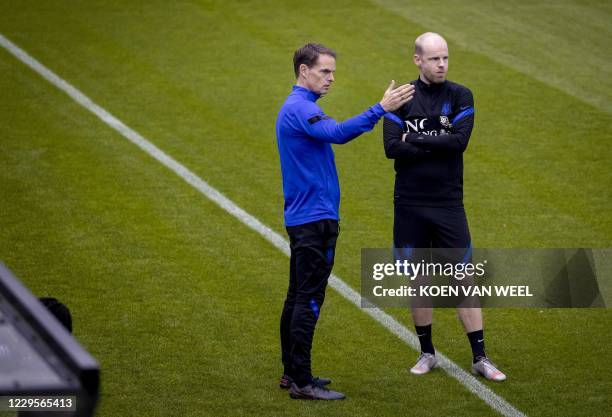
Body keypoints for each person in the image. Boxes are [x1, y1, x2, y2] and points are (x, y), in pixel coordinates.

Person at [276, 43, 414, 400]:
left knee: (296, 297)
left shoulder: (299, 108)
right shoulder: (300, 109)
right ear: (304, 71)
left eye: (333, 72)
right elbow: (337, 134)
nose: (332, 78)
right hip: (314, 221)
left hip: (306, 217)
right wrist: (380, 109)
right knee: (307, 299)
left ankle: (292, 374)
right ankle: (301, 383)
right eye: (325, 71)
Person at [382, 32, 506, 381]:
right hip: (409, 202)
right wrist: (434, 142)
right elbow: (392, 148)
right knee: (418, 280)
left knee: (463, 277)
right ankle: (427, 353)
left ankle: (480, 358)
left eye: (445, 58)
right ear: (417, 60)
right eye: (434, 58)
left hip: (448, 203)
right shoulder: (402, 98)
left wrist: (414, 138)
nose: (441, 64)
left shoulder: (460, 95)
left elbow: (459, 143)